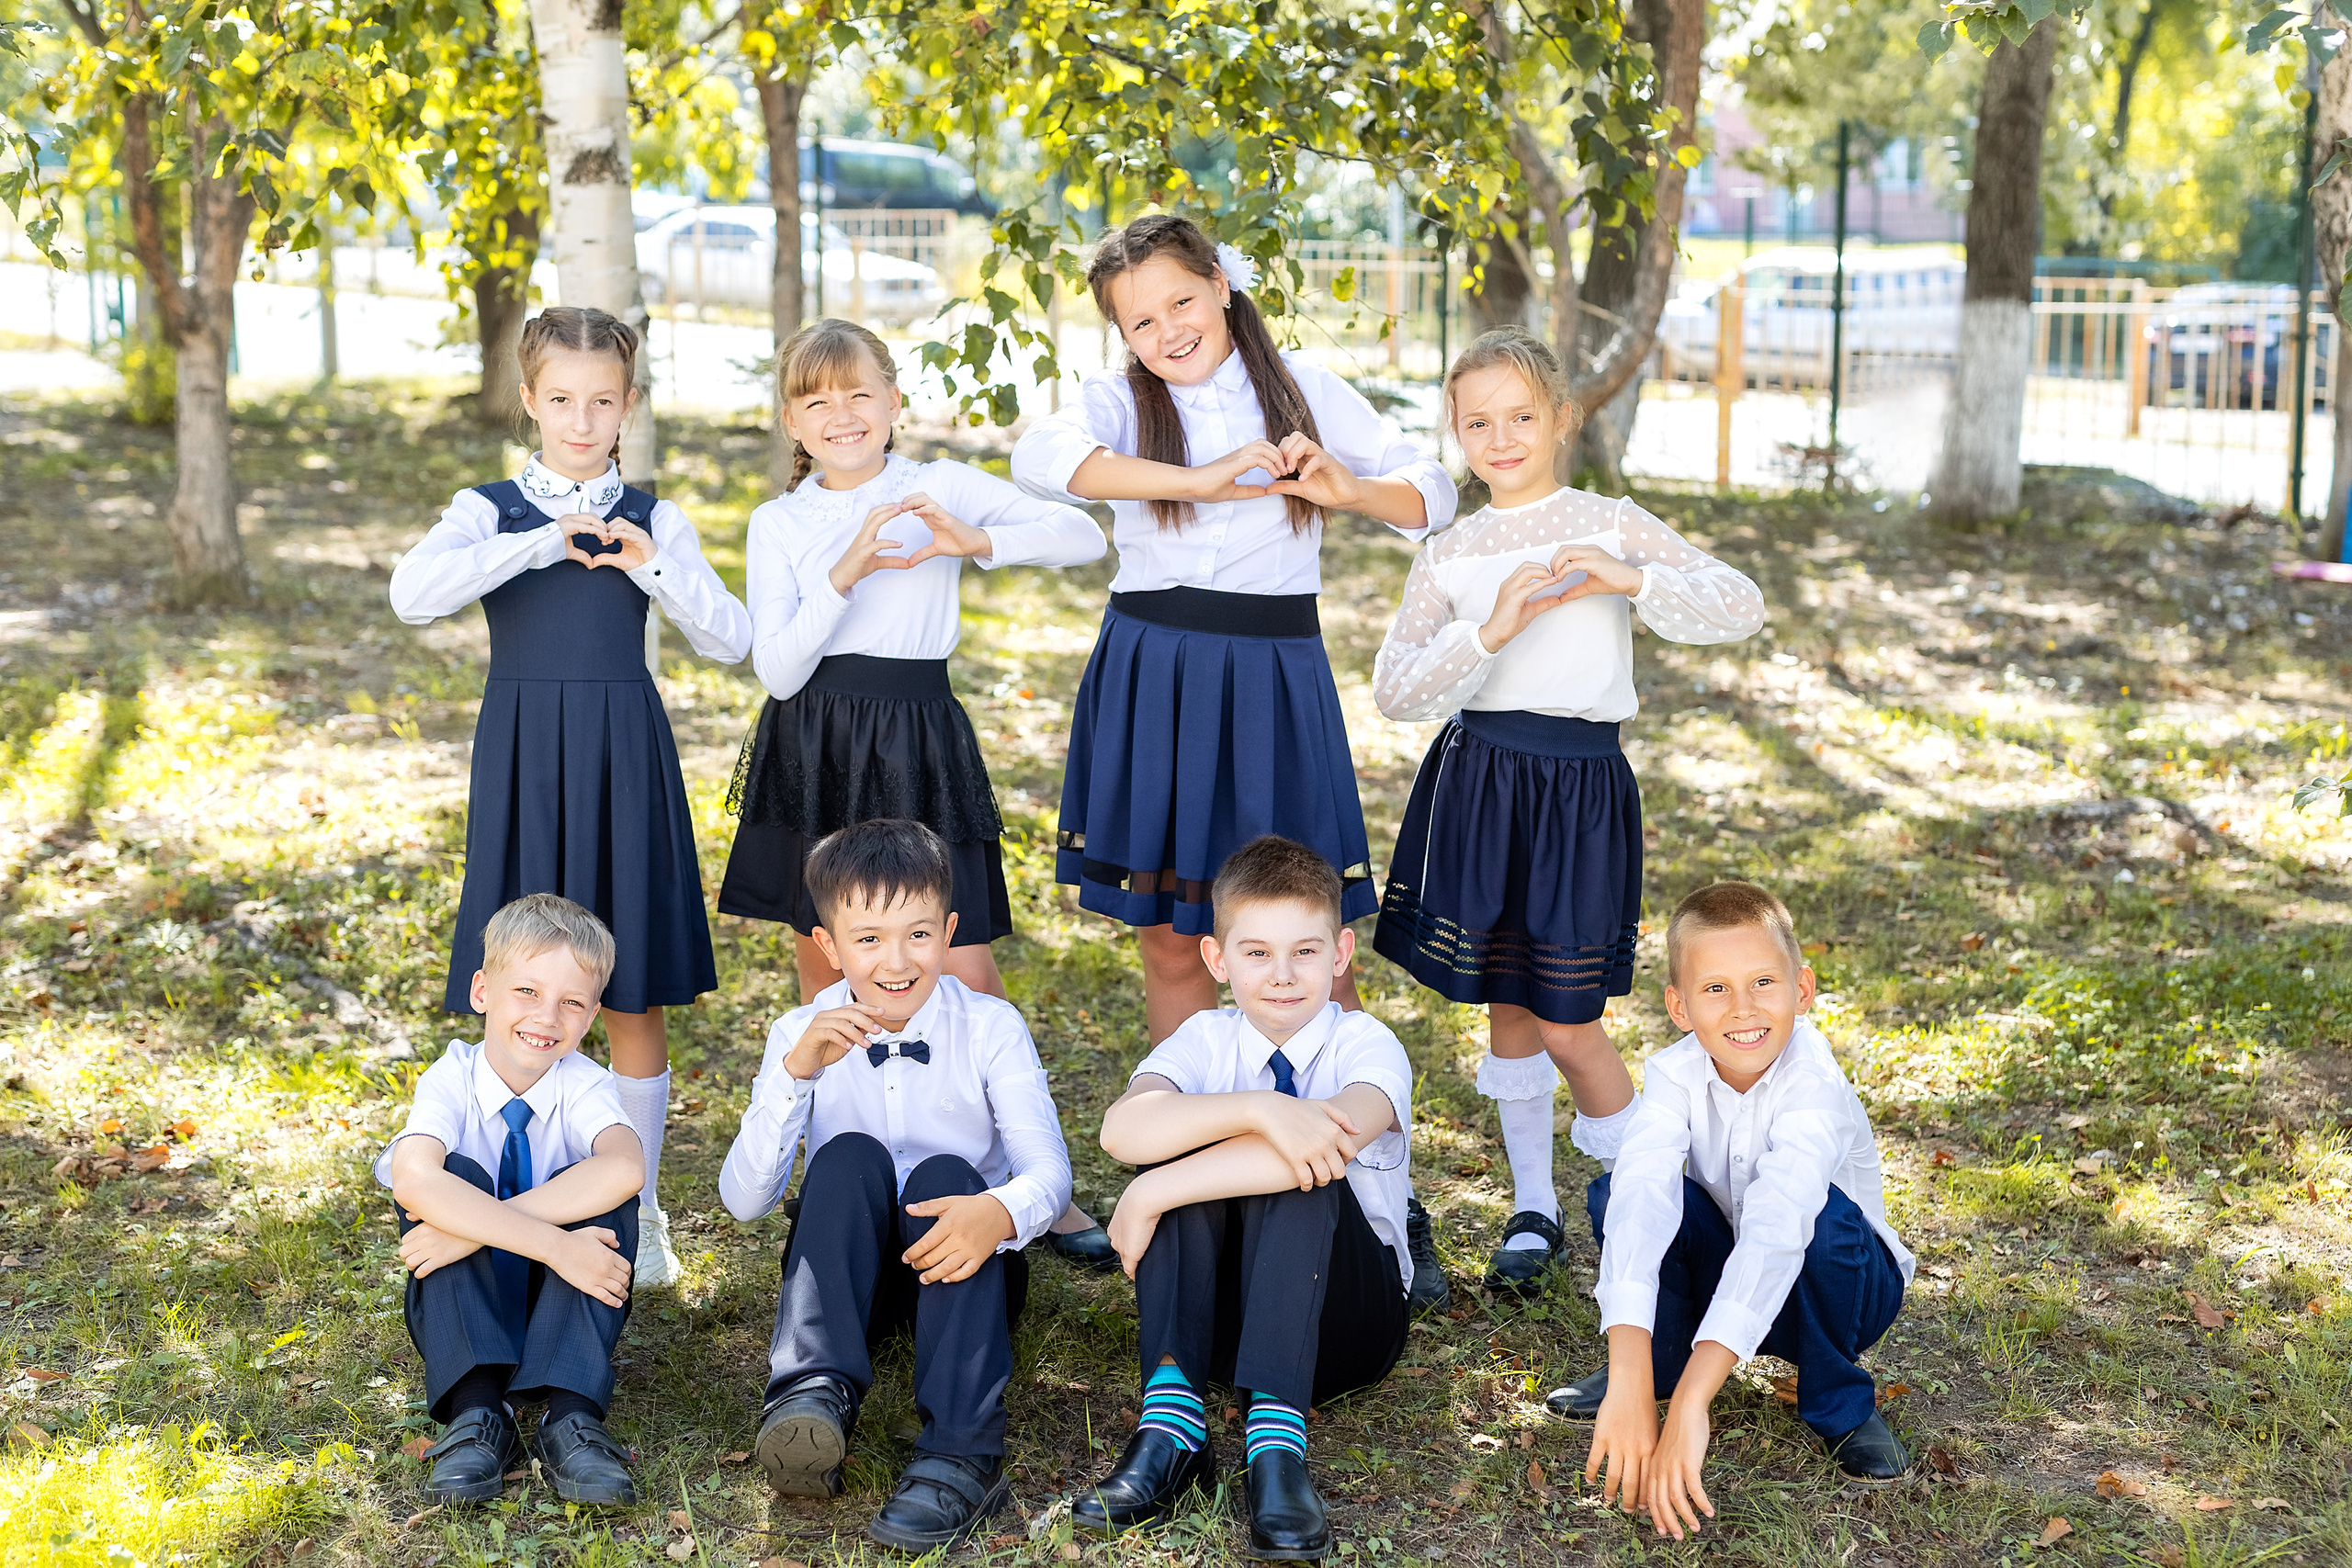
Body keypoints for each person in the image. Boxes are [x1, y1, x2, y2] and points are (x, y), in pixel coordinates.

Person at [1011, 213, 1456, 1309]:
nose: (1165, 329)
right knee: (1174, 939)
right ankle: (1190, 1168)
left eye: (1178, 301)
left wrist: (1341, 487)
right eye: (1137, 318)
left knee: (1313, 936)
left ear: (1220, 284)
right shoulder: (1121, 402)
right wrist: (1203, 479)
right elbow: (1039, 457)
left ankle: (1366, 1181)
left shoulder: (1299, 383)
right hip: (1155, 670)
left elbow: (1431, 490)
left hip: (1269, 675)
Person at [1369, 327, 1765, 1296]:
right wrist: (1490, 627)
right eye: (1477, 422)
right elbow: (1396, 688)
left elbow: (1738, 602)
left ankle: (1663, 1216)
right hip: (1479, 784)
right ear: (1455, 433)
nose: (1500, 438)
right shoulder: (1452, 549)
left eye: (1520, 416)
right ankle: (1532, 1209)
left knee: (1569, 1018)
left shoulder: (1608, 520)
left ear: (1559, 417)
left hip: (1577, 792)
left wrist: (1627, 577)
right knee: (1509, 1002)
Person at [713, 319, 1114, 1269]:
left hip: (915, 737)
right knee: (828, 961)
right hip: (811, 739)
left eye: (860, 394)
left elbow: (1079, 533)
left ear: (894, 403)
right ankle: (844, 1157)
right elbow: (775, 666)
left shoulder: (931, 486)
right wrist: (843, 573)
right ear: (790, 422)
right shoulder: (780, 522)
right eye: (816, 400)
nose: (841, 415)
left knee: (962, 961)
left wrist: (969, 538)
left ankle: (1028, 1182)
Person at [390, 306, 752, 1290]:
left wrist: (653, 564)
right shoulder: (488, 508)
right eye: (560, 400)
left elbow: (732, 638)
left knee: (630, 994)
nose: (582, 419)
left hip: (620, 756)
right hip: (523, 759)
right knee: (519, 979)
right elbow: (411, 594)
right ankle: (504, 1196)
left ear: (629, 403)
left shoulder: (654, 513)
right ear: (528, 401)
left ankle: (634, 1208)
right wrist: (542, 542)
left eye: (602, 400)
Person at [718, 818, 1073, 1552]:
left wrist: (997, 1211)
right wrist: (797, 1073)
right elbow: (744, 1200)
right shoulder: (798, 1030)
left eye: (917, 935)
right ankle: (811, 1394)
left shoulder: (991, 1027)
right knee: (846, 1154)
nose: (895, 960)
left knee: (950, 1173)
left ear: (948, 932)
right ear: (828, 946)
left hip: (967, 1268)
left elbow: (1049, 1172)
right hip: (850, 1277)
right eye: (868, 938)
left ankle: (961, 1448)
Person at [1069, 837, 1414, 1562]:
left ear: (1342, 952)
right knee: (1204, 1138)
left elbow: (1334, 1133)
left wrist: (1153, 1189)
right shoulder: (1205, 1036)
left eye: (1305, 952)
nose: (1283, 976)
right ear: (1217, 960)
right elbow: (1123, 1128)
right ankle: (1171, 1426)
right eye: (1256, 953)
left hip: (1347, 1320)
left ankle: (1277, 1445)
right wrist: (1259, 1106)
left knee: (1305, 1167)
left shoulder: (1368, 1043)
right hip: (1221, 1325)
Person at [1555, 881, 1916, 1537]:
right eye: (1715, 988)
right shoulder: (1673, 1076)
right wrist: (1632, 1373)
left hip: (1844, 1287)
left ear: (1802, 989)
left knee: (1824, 1218)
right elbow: (1641, 1199)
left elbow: (1780, 1227)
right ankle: (1656, 1364)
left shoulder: (1815, 1085)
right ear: (1680, 1005)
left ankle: (1837, 1400)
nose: (1743, 1008)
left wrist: (1697, 1402)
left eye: (1762, 983)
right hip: (1732, 1269)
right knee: (1618, 1191)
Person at [380, 894, 646, 1506]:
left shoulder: (583, 1083)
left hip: (564, 1295)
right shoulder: (450, 1077)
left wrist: (475, 1227)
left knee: (600, 1184)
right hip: (475, 1296)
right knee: (454, 1177)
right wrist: (552, 1240)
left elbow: (627, 1166)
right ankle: (479, 1415)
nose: (546, 1016)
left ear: (591, 1015)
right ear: (481, 990)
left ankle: (570, 1417)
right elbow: (414, 1177)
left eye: (571, 1002)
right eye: (526, 991)